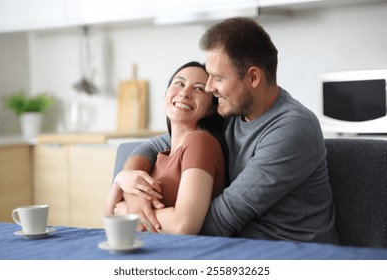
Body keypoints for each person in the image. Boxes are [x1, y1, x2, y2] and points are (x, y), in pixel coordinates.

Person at [116, 17, 339, 244]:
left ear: (253, 77)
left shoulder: (291, 128)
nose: (210, 88)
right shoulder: (230, 112)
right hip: (238, 247)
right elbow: (160, 144)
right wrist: (134, 185)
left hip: (292, 255)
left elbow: (219, 221)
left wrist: (133, 215)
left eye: (218, 78)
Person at [105, 61, 226, 235]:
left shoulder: (201, 142)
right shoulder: (159, 157)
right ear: (166, 94)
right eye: (179, 83)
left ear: (212, 108)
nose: (184, 93)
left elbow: (183, 225)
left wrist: (132, 215)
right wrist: (120, 179)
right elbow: (111, 215)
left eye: (199, 88)